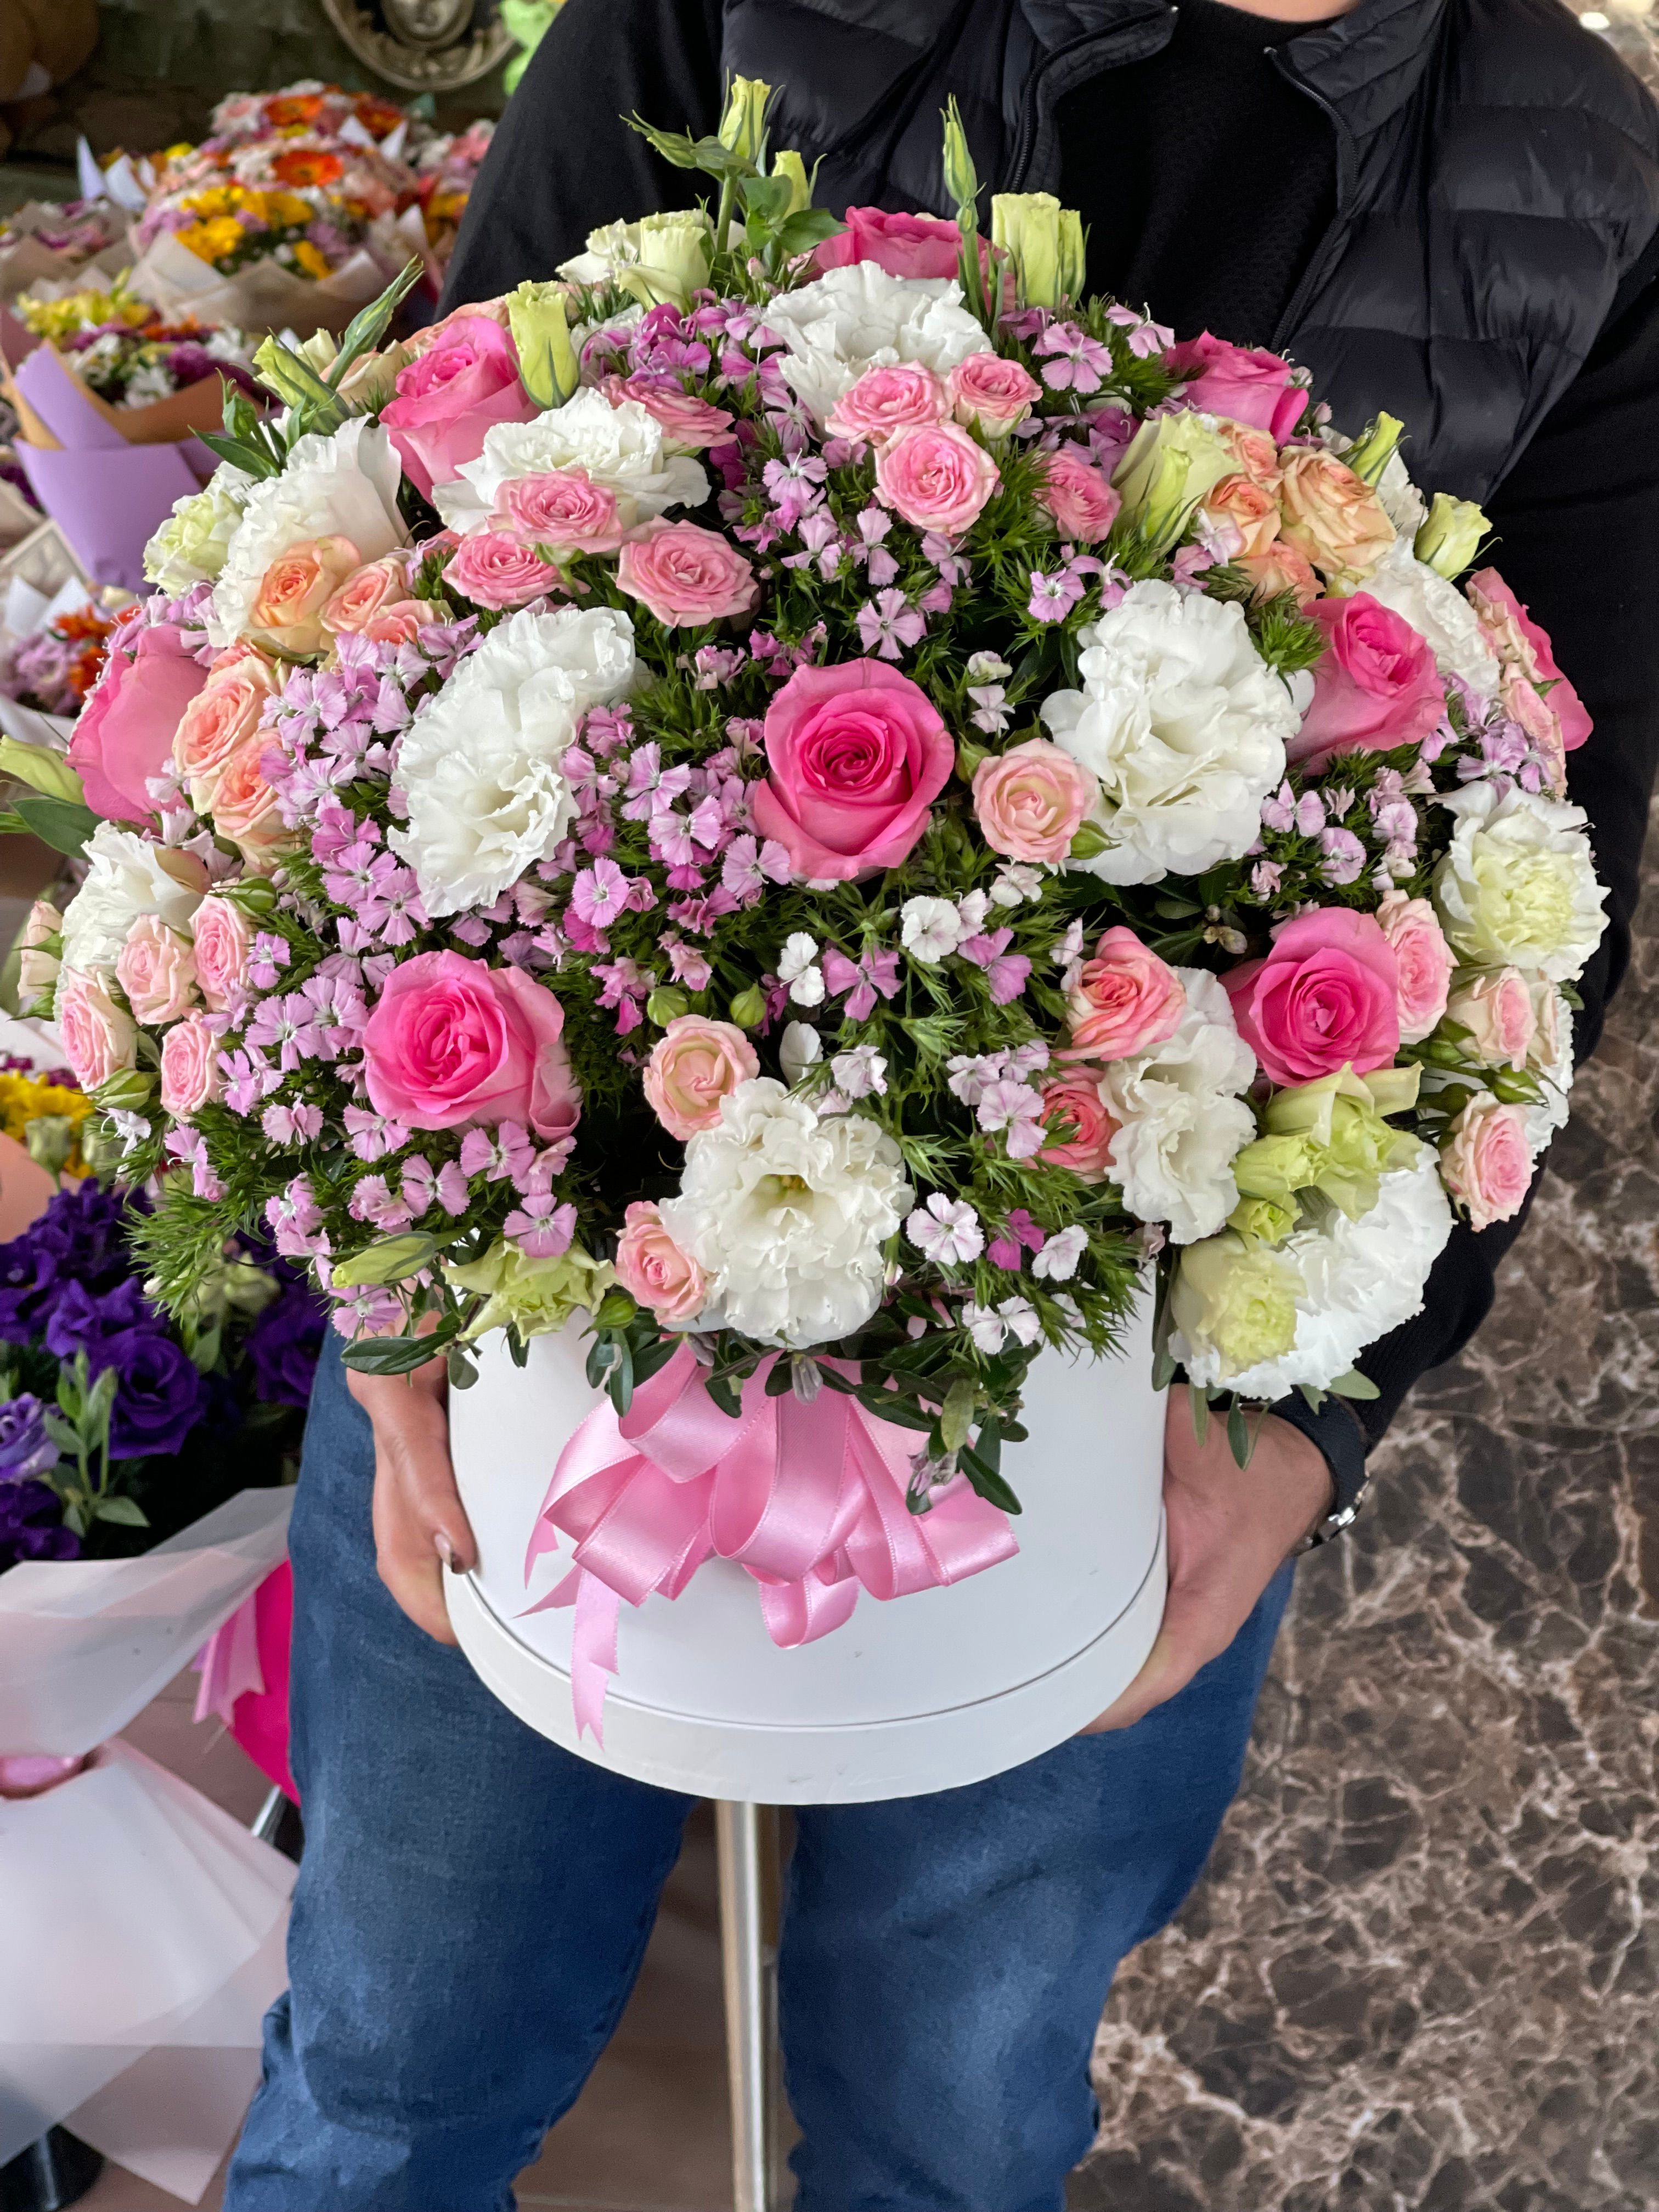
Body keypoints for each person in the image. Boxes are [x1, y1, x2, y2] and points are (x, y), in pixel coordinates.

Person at [226, 2, 1659, 2204]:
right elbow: (419, 569)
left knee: (957, 2130)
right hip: (540, 1287)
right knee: (395, 2068)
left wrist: (1310, 1428)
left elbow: (1557, 870)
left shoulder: (1582, 168)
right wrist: (391, 1271)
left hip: (1121, 1392)